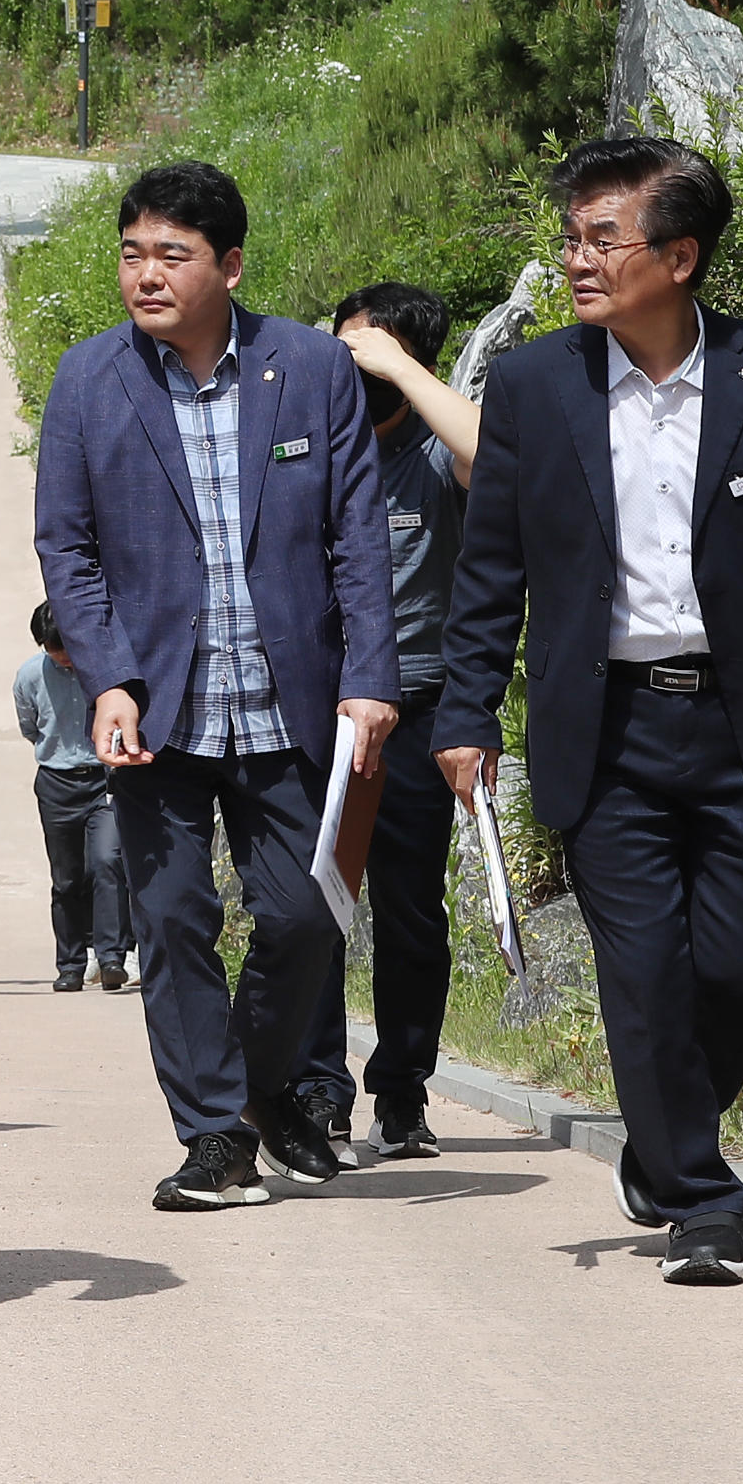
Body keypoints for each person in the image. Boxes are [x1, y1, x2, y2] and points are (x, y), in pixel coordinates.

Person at [437, 135, 743, 1287]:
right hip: (603, 727)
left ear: (681, 255)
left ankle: (665, 1142)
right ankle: (702, 1201)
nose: (576, 258)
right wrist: (468, 715)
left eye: (602, 237)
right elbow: (489, 573)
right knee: (645, 966)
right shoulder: (531, 386)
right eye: (571, 237)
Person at [32, 160, 401, 1213]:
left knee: (302, 912)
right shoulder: (89, 380)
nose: (145, 274)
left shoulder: (313, 367)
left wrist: (371, 676)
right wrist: (104, 678)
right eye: (131, 251)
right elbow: (69, 547)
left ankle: (260, 1087)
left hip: (294, 701)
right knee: (176, 915)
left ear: (229, 266)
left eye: (172, 255)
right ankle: (217, 1135)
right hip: (156, 709)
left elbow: (356, 539)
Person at [288, 281, 481, 1165]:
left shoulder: (436, 455)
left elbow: (487, 453)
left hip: (418, 706)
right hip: (318, 705)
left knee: (408, 909)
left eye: (368, 355)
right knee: (310, 902)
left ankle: (401, 1093)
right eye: (344, 351)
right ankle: (318, 1085)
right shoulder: (309, 444)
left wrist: (396, 364)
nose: (351, 370)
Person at [16, 604, 131, 993]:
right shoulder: (30, 676)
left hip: (102, 781)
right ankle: (70, 964)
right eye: (54, 652)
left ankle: (111, 957)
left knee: (106, 863)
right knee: (66, 879)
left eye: (66, 651)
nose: (63, 660)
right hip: (56, 784)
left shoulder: (101, 672)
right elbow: (29, 727)